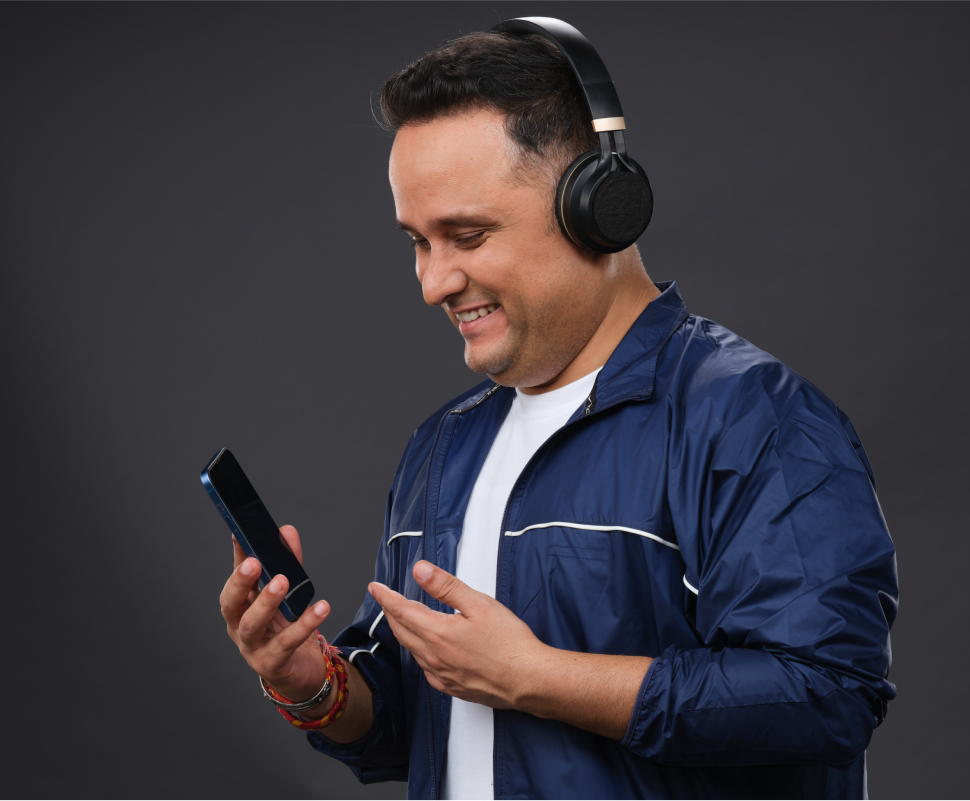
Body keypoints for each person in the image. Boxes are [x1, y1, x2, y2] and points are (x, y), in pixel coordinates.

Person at [217, 20, 898, 801]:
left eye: (466, 235)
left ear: (598, 206)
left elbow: (826, 694)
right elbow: (419, 722)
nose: (434, 282)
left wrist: (536, 676)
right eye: (417, 241)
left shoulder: (757, 421)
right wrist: (310, 681)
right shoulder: (443, 447)